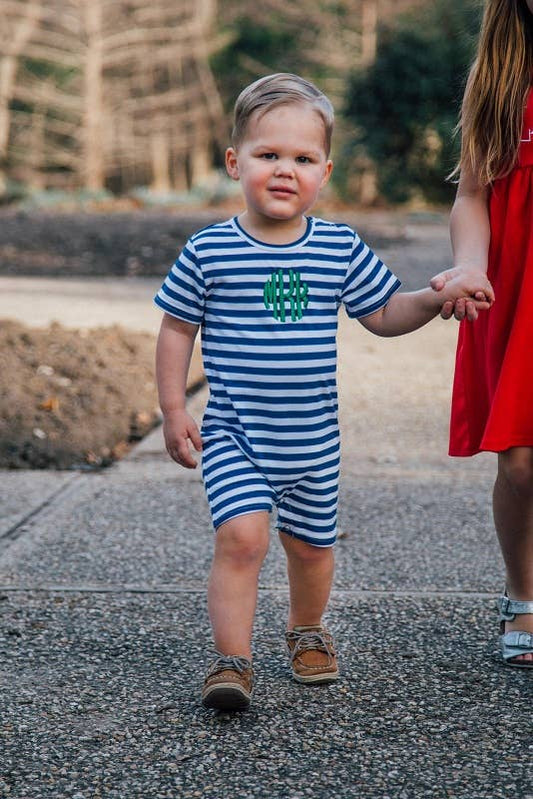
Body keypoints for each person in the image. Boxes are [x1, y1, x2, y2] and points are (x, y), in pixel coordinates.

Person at [154, 72, 493, 711]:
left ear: (325, 172)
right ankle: (231, 662)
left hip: (313, 442)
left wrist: (435, 297)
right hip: (235, 435)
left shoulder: (337, 247)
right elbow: (176, 328)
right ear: (235, 162)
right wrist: (174, 410)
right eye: (268, 154)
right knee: (243, 539)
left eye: (303, 159)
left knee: (312, 548)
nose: (286, 170)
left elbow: (384, 313)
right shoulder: (210, 250)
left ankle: (306, 629)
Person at [431, 0, 533, 668]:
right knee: (521, 463)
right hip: (517, 290)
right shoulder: (500, 78)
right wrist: (470, 264)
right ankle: (523, 593)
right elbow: (472, 194)